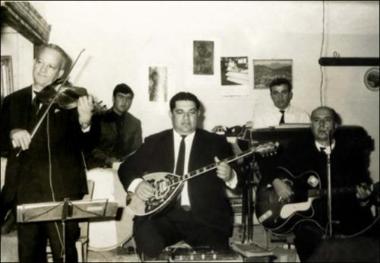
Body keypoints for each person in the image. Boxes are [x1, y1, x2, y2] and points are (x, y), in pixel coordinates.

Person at [0, 43, 96, 263]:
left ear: (60, 73)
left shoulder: (70, 101)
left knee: (64, 252)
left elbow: (88, 145)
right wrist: (11, 132)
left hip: (60, 190)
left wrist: (85, 122)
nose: (43, 70)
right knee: (29, 254)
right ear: (34, 62)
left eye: (51, 67)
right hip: (25, 189)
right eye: (40, 62)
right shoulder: (12, 100)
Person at [118, 92, 240, 259]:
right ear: (171, 114)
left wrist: (230, 175)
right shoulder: (154, 142)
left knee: (217, 257)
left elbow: (242, 176)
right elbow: (126, 168)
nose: (186, 118)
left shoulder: (216, 143)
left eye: (191, 112)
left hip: (205, 218)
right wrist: (138, 185)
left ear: (198, 114)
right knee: (148, 241)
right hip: (162, 216)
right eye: (180, 112)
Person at [265, 106, 375, 262]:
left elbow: (364, 186)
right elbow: (269, 167)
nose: (322, 125)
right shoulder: (298, 149)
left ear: (335, 125)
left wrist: (364, 198)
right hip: (311, 221)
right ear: (311, 126)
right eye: (317, 120)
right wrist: (276, 181)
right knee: (310, 244)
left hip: (347, 217)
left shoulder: (352, 153)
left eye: (327, 120)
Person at [85, 83, 142, 170]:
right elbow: (91, 148)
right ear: (113, 98)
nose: (124, 101)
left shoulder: (135, 123)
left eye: (128, 98)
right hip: (100, 167)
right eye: (121, 97)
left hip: (124, 169)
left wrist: (124, 164)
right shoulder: (98, 118)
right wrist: (109, 161)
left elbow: (137, 151)